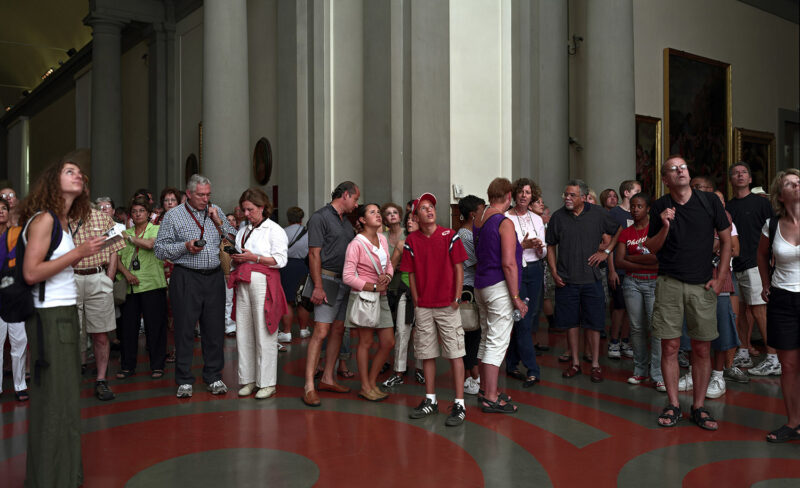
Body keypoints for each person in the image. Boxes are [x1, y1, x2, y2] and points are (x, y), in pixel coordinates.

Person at [20, 157, 106, 487]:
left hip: (63, 315)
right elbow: (30, 273)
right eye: (70, 171)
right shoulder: (44, 220)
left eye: (80, 172)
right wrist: (78, 253)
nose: (79, 175)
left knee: (65, 402)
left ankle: (64, 475)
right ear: (53, 181)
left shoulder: (60, 220)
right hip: (51, 317)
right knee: (56, 404)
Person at [646, 156, 731, 431]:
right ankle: (673, 404)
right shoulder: (660, 205)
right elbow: (652, 247)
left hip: (702, 284)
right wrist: (666, 226)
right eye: (673, 169)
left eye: (683, 166)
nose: (680, 171)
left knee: (701, 347)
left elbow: (727, 239)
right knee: (669, 346)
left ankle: (698, 406)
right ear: (665, 179)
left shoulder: (709, 202)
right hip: (669, 282)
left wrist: (720, 279)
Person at [154, 174, 238, 398]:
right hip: (186, 277)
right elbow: (160, 249)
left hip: (213, 277)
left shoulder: (215, 211)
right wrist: (185, 246)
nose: (205, 199)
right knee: (184, 329)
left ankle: (213, 376)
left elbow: (234, 239)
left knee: (214, 329)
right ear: (189, 194)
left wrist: (218, 222)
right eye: (201, 195)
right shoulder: (173, 216)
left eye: (208, 194)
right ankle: (183, 379)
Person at [400, 192, 469, 426]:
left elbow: (459, 268)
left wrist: (457, 297)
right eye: (424, 208)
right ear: (415, 215)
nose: (429, 210)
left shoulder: (450, 236)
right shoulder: (411, 241)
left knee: (455, 353)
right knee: (426, 353)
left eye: (432, 207)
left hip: (448, 304)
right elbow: (409, 272)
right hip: (424, 306)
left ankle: (459, 403)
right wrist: (417, 298)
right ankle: (430, 400)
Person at [546, 179, 620, 383]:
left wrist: (605, 252)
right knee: (570, 323)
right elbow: (550, 245)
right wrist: (553, 271)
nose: (567, 198)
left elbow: (619, 229)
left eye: (572, 195)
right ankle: (575, 363)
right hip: (566, 279)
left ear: (583, 197)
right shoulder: (558, 217)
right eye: (566, 195)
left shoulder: (597, 213)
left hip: (592, 279)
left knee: (594, 324)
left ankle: (595, 364)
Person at [301, 181, 360, 407]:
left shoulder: (345, 222)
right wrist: (317, 286)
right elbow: (314, 254)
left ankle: (327, 378)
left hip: (344, 281)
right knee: (321, 331)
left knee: (337, 329)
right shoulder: (320, 217)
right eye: (355, 199)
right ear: (345, 195)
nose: (356, 205)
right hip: (325, 279)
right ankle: (309, 386)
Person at [475, 179, 528, 414]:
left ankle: (485, 388)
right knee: (497, 342)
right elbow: (508, 264)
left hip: (481, 285)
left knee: (487, 338)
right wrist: (516, 297)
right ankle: (491, 396)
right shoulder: (504, 222)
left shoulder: (480, 218)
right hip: (498, 287)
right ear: (509, 196)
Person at [229, 188, 288, 399]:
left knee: (264, 332)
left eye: (250, 209)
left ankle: (267, 382)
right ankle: (248, 379)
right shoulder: (243, 231)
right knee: (243, 332)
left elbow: (281, 260)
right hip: (243, 281)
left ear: (262, 208)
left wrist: (254, 258)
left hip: (264, 281)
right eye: (244, 210)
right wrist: (239, 258)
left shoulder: (275, 230)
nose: (246, 214)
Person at [757, 169, 800, 442]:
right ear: (780, 195)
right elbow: (761, 255)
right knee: (789, 365)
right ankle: (794, 423)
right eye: (790, 183)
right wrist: (765, 283)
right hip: (783, 299)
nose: (796, 185)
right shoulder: (771, 225)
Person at [72, 188, 126, 401]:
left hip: (97, 277)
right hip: (70, 279)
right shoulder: (63, 219)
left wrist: (109, 278)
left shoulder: (102, 219)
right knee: (72, 332)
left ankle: (101, 380)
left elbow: (115, 248)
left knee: (101, 334)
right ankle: (72, 376)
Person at [728, 162, 780, 376]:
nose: (740, 176)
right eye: (735, 173)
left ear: (750, 179)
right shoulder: (728, 207)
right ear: (731, 180)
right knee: (740, 312)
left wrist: (772, 260)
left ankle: (774, 358)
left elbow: (773, 232)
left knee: (760, 311)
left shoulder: (761, 204)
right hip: (736, 265)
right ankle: (743, 351)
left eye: (744, 173)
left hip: (755, 265)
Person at [343, 203, 395, 401]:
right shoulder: (356, 244)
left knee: (388, 342)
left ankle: (372, 381)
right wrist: (373, 287)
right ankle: (365, 386)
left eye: (378, 211)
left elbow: (388, 264)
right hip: (365, 297)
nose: (378, 215)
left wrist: (388, 278)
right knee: (365, 342)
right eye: (372, 212)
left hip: (380, 296)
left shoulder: (382, 238)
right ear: (363, 220)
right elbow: (348, 276)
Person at [115, 195, 168, 380]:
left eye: (141, 211)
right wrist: (127, 274)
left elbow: (150, 245)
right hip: (130, 287)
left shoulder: (156, 229)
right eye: (135, 211)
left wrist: (130, 238)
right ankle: (128, 366)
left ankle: (157, 366)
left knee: (155, 328)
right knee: (128, 329)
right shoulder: (126, 232)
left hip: (153, 284)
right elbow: (117, 259)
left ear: (148, 213)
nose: (138, 214)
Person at [614, 193, 663, 390]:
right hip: (632, 283)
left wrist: (631, 259)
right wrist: (644, 260)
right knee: (636, 327)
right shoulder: (625, 233)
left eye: (639, 206)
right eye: (633, 206)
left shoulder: (655, 230)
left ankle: (658, 373)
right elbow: (618, 261)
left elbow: (658, 260)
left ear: (648, 209)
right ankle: (640, 370)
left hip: (653, 283)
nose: (635, 209)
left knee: (656, 328)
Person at [504, 178, 545, 387]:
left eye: (528, 192)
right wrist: (523, 245)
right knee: (522, 319)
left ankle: (511, 364)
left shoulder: (537, 219)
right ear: (514, 194)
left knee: (528, 317)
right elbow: (505, 250)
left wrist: (538, 247)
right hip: (516, 271)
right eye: (520, 192)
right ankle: (532, 369)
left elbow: (544, 250)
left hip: (535, 270)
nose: (524, 195)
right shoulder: (505, 218)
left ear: (532, 195)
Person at [381, 210, 425, 388]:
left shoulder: (429, 241)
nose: (409, 222)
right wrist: (385, 279)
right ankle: (399, 371)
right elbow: (390, 266)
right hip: (405, 291)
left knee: (423, 333)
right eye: (407, 219)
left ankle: (421, 370)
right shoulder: (402, 243)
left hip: (425, 293)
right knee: (401, 330)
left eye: (413, 219)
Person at [607, 180, 642, 360]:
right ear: (627, 193)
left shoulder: (639, 213)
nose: (639, 193)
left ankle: (625, 340)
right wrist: (611, 270)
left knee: (631, 309)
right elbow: (610, 245)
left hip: (634, 266)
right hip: (619, 268)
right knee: (619, 307)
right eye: (637, 191)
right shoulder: (615, 213)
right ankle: (614, 341)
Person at [0, 198, 28, 401]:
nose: (1, 211)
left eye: (4, 208)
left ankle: (20, 385)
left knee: (19, 341)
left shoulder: (18, 235)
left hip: (15, 295)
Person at [457, 195, 485, 395]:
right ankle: (473, 375)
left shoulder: (472, 232)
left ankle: (470, 375)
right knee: (472, 332)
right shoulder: (465, 235)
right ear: (473, 214)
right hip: (468, 287)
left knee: (473, 333)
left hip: (473, 285)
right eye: (482, 210)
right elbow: (477, 263)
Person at [278, 206, 312, 342]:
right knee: (303, 301)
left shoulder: (281, 232)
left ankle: (286, 332)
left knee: (288, 301)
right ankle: (303, 330)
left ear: (288, 218)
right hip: (302, 266)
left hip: (285, 267)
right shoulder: (308, 233)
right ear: (301, 218)